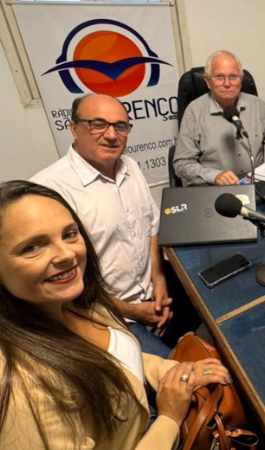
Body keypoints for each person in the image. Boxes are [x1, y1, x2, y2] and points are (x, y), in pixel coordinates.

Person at [0, 181, 230, 449]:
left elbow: (117, 358)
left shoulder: (69, 299)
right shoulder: (6, 394)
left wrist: (176, 373)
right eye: (32, 247)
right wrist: (169, 418)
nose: (66, 255)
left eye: (69, 234)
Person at [32, 94, 191, 357]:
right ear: (74, 128)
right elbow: (60, 287)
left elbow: (151, 227)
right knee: (173, 372)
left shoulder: (131, 166)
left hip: (152, 289)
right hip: (105, 313)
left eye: (120, 126)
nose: (111, 135)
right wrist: (133, 311)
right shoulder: (49, 191)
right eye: (98, 124)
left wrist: (159, 279)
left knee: (213, 304)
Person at [174, 50, 265, 186]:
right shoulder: (194, 112)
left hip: (256, 186)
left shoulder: (257, 106)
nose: (227, 83)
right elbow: (182, 164)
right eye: (219, 77)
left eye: (233, 77)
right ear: (207, 81)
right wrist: (214, 176)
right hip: (214, 189)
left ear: (241, 80)